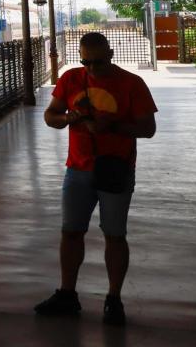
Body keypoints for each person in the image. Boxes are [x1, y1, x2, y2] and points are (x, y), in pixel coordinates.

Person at [35, 31, 156, 326]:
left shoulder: (131, 83)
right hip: (78, 167)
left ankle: (113, 298)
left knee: (114, 234)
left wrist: (111, 124)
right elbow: (50, 115)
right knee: (71, 231)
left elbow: (148, 128)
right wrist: (68, 119)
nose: (91, 69)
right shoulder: (71, 79)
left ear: (111, 55)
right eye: (85, 62)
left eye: (98, 62)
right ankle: (67, 293)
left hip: (116, 167)